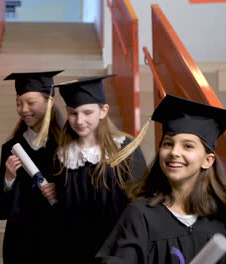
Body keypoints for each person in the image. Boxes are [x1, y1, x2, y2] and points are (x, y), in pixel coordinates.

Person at [96, 94, 226, 264]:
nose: (174, 152)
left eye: (188, 146)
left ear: (207, 160)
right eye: (168, 144)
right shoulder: (140, 215)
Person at [52, 75, 147, 264]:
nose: (79, 120)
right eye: (73, 113)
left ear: (103, 111)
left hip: (117, 245)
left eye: (87, 112)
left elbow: (140, 198)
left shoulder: (124, 147)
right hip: (74, 248)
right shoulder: (63, 156)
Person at [0, 70, 64, 264]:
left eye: (30, 103)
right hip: (20, 241)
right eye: (18, 103)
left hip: (56, 239)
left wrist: (61, 191)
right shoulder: (12, 148)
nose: (23, 109)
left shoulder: (67, 146)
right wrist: (8, 178)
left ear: (49, 102)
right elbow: (0, 209)